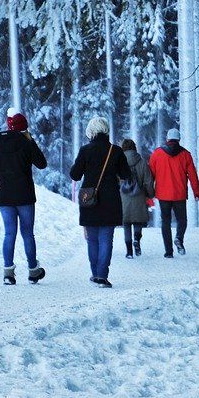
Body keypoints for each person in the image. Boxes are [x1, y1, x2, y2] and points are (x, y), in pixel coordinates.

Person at [0, 107, 47, 285]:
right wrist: (32, 140)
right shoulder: (26, 143)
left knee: (9, 233)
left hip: (5, 196)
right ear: (24, 128)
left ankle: (8, 273)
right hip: (25, 196)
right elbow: (42, 163)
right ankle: (33, 271)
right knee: (28, 234)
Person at [70, 117, 131, 288]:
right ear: (106, 130)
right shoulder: (116, 151)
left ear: (91, 131)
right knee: (106, 239)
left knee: (92, 240)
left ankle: (95, 273)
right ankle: (102, 276)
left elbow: (74, 174)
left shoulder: (85, 150)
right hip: (111, 200)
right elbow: (126, 174)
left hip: (89, 199)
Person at [148, 128, 199, 258]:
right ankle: (179, 238)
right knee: (182, 220)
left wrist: (149, 194)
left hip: (163, 194)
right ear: (178, 139)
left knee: (165, 222)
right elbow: (193, 175)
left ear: (167, 139)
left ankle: (168, 252)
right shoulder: (185, 155)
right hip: (179, 194)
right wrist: (197, 192)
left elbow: (150, 176)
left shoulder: (157, 154)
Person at [120, 139, 154, 258]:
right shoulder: (142, 162)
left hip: (124, 198)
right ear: (134, 148)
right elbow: (148, 181)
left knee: (127, 224)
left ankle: (129, 252)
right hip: (139, 196)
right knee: (138, 221)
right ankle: (137, 240)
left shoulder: (118, 162)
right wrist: (150, 194)